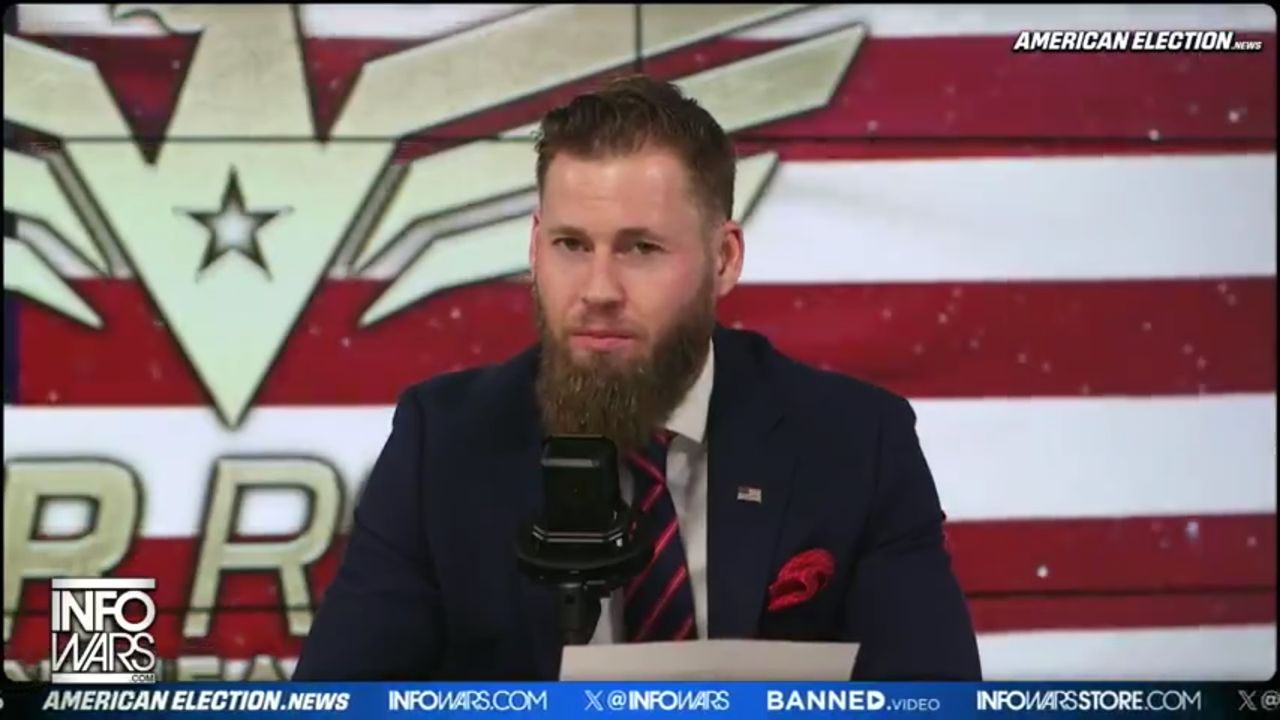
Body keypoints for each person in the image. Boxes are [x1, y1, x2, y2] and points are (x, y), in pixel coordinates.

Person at [294, 74, 981, 681]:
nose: (598, 290)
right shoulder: (443, 445)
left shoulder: (856, 442)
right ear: (534, 248)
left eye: (641, 248)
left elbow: (933, 701)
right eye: (571, 245)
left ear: (724, 259)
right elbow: (339, 703)